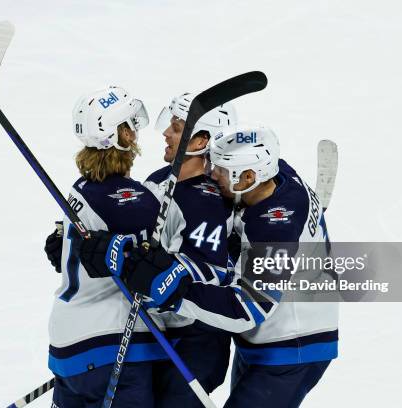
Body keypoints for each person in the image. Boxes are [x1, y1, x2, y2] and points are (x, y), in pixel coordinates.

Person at [46, 85, 166, 408]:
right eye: (129, 125)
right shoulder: (133, 200)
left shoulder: (81, 190)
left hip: (66, 345)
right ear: (117, 136)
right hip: (111, 345)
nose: (135, 131)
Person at [208, 124, 338, 408]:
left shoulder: (275, 228)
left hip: (292, 345)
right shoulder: (279, 172)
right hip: (265, 342)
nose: (212, 175)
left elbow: (248, 307)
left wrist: (175, 292)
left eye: (221, 170)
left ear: (249, 177)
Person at [144, 93, 237, 407]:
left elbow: (211, 270)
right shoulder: (156, 181)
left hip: (197, 339)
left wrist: (160, 270)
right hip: (160, 329)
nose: (166, 134)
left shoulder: (206, 201)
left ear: (200, 143)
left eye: (176, 127)